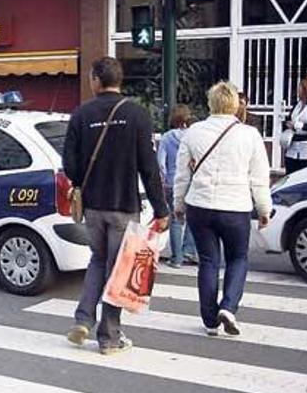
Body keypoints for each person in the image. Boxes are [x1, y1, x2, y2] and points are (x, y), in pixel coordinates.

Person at [63, 57, 169, 355]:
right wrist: (161, 210)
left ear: (97, 79)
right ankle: (109, 337)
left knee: (98, 260)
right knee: (119, 270)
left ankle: (83, 319)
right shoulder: (137, 114)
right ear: (119, 80)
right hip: (124, 205)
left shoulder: (81, 114)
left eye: (90, 77)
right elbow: (149, 167)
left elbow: (69, 164)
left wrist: (82, 179)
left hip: (93, 207)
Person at [174, 82, 271, 337]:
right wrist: (264, 209)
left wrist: (178, 204)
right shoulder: (250, 135)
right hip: (235, 206)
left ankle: (209, 320)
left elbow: (181, 175)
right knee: (237, 258)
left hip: (200, 205)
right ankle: (228, 306)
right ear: (236, 105)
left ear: (210, 103)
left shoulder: (193, 132)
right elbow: (259, 178)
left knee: (208, 261)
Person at [157, 104, 197, 269]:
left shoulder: (167, 137)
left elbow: (161, 162)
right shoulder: (194, 136)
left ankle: (177, 258)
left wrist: (164, 179)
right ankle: (188, 250)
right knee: (192, 218)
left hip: (172, 181)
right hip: (191, 181)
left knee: (175, 219)